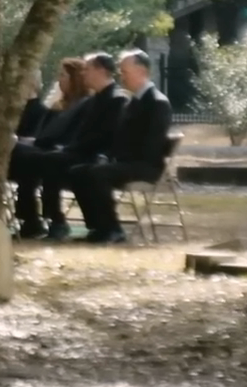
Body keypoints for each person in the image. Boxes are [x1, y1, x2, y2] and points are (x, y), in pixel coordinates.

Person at [70, 49, 174, 244]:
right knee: (78, 172)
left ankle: (113, 229)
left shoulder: (157, 102)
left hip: (146, 166)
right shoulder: (133, 101)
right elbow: (119, 137)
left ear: (141, 71)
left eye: (125, 72)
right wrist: (108, 156)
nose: (121, 76)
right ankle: (97, 227)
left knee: (98, 174)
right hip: (127, 162)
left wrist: (119, 160)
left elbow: (151, 145)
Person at [9, 57, 90, 239]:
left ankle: (54, 219)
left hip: (67, 155)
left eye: (63, 75)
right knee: (24, 158)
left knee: (39, 160)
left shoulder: (85, 105)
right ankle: (31, 220)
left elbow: (75, 137)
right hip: (46, 151)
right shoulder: (57, 106)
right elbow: (43, 135)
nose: (59, 80)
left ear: (75, 78)